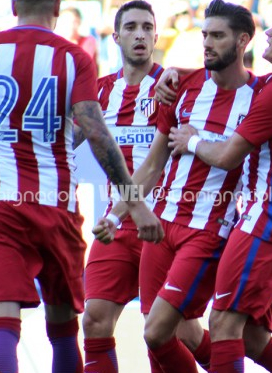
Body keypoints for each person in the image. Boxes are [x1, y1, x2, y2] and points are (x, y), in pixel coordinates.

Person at [0, 0, 163, 372]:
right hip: (57, 206)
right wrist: (134, 200)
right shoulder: (74, 57)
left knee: (2, 327)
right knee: (65, 331)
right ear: (58, 6)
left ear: (14, 5)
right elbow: (97, 135)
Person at [96, 1, 264, 372]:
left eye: (217, 36)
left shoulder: (264, 93)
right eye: (205, 35)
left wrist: (194, 142)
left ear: (243, 41)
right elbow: (153, 165)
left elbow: (231, 158)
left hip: (207, 230)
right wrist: (116, 213)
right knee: (164, 334)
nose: (206, 43)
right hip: (160, 228)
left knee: (165, 333)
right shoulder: (181, 85)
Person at [167, 3, 272, 372]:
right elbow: (231, 77)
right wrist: (173, 74)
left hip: (265, 221)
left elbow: (226, 156)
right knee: (253, 340)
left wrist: (190, 140)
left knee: (223, 325)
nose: (268, 32)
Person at [81, 2, 166, 373]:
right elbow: (56, 145)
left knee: (173, 334)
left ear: (156, 36)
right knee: (94, 320)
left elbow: (158, 166)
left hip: (163, 226)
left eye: (148, 27)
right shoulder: (98, 93)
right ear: (115, 37)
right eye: (131, 27)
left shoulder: (173, 88)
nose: (140, 34)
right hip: (116, 227)